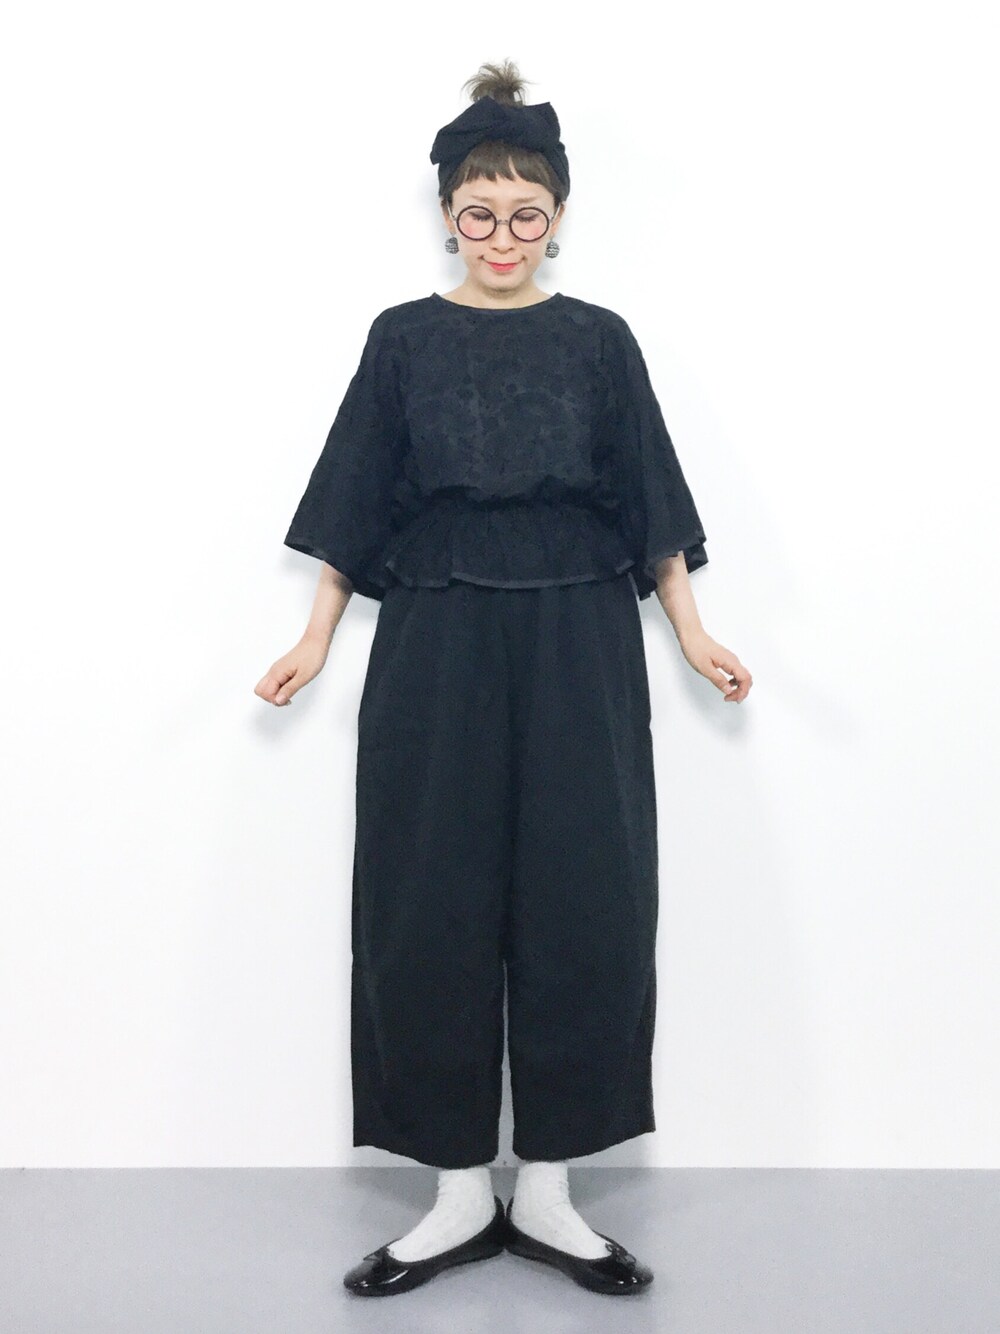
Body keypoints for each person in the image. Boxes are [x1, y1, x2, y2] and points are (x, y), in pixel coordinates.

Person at [255, 59, 752, 1298]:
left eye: (526, 215)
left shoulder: (599, 339)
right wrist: (315, 637)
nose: (501, 237)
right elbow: (357, 494)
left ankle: (550, 1192)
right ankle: (454, 1192)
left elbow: (648, 494)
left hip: (581, 633)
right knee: (427, 894)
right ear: (446, 215)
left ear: (559, 216)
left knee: (586, 893)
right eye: (478, 214)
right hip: (435, 633)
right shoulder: (402, 337)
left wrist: (692, 630)